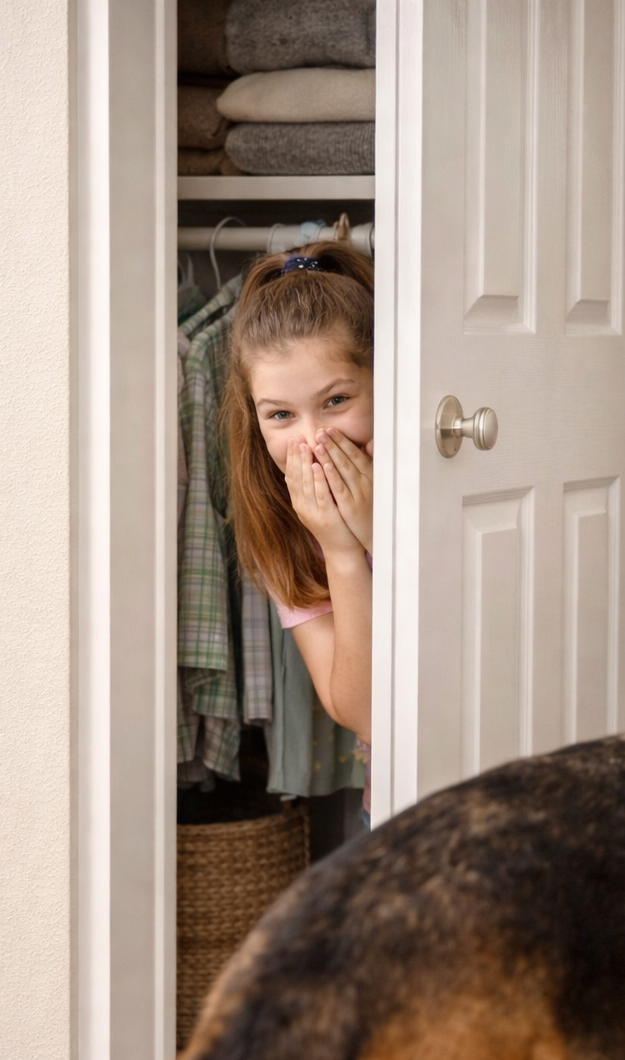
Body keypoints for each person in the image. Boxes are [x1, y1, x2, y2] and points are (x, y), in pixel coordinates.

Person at [224, 241, 376, 823]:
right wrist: (343, 550)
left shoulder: (439, 489)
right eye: (281, 415)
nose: (312, 440)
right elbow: (364, 713)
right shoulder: (284, 528)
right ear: (255, 417)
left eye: (336, 400)